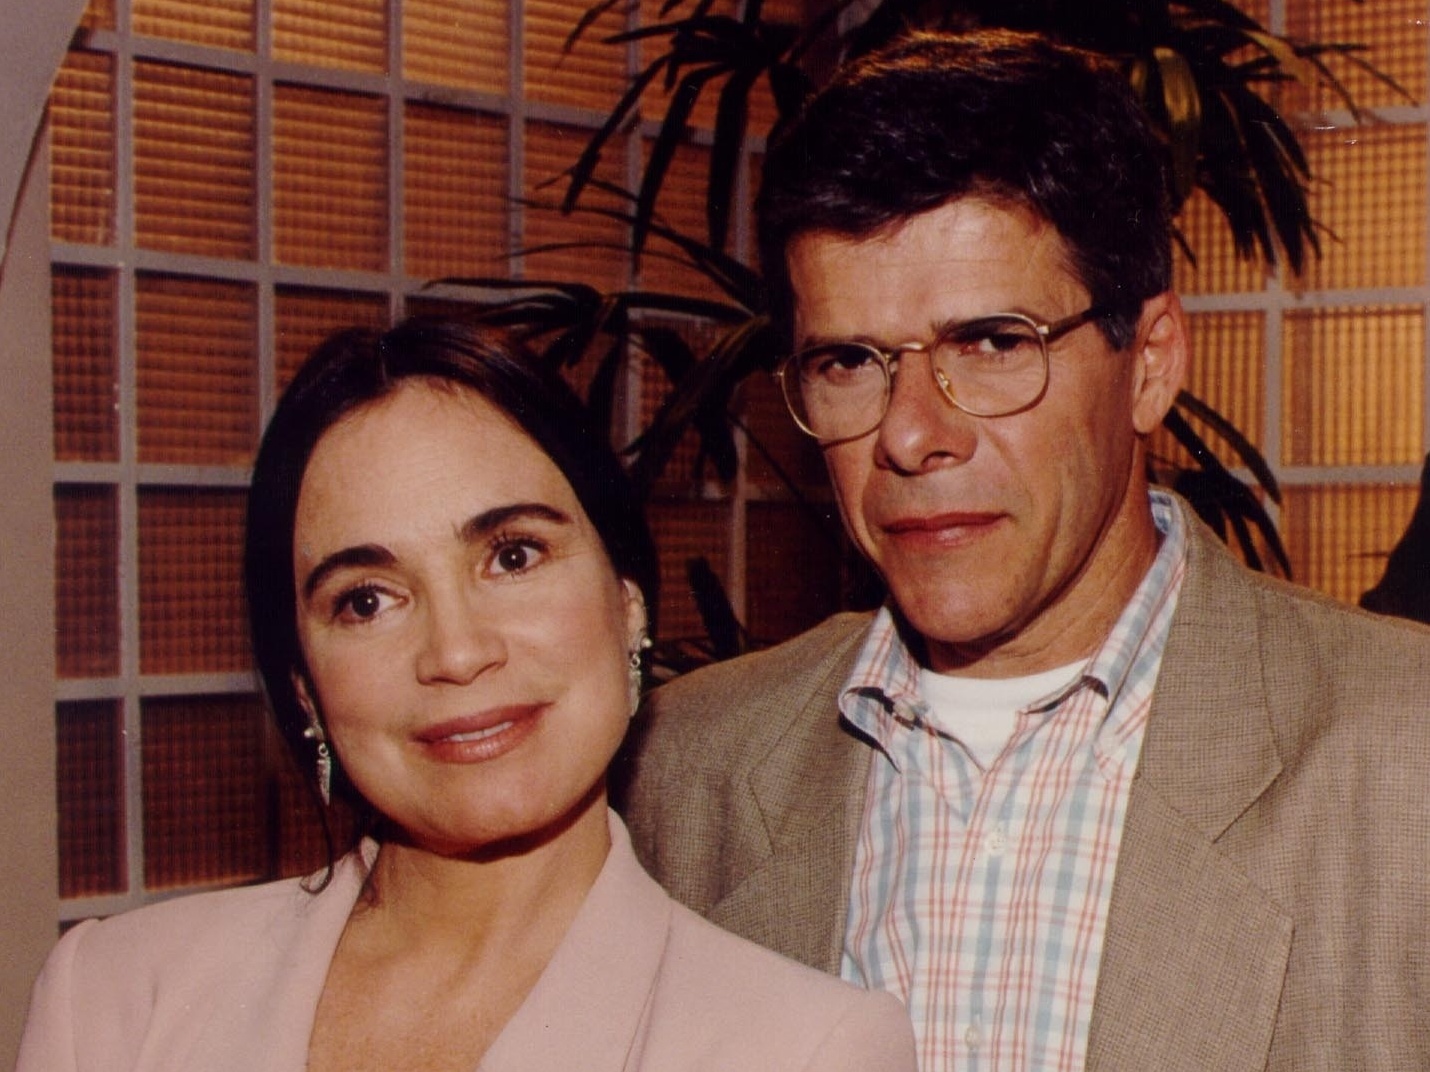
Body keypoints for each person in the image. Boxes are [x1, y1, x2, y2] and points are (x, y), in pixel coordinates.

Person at [622, 29, 1430, 1072]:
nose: (910, 435)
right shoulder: (687, 768)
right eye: (849, 362)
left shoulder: (1400, 753)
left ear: (1149, 363)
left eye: (991, 343)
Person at [17, 318, 918, 1072]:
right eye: (366, 601)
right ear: (305, 689)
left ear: (627, 604)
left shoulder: (804, 1049)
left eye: (513, 556)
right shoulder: (115, 1003)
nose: (455, 653)